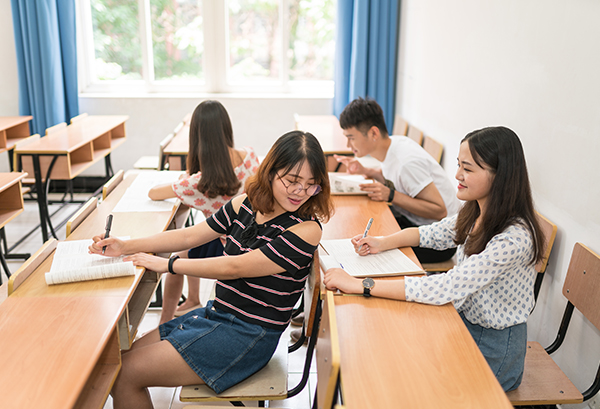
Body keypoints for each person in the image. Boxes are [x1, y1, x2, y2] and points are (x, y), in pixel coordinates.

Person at [90, 131, 334, 409]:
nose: (299, 192)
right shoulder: (246, 204)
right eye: (291, 180)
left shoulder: (307, 230)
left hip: (249, 335)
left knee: (124, 374)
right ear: (270, 172)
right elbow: (189, 236)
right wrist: (126, 245)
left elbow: (235, 267)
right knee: (117, 362)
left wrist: (169, 264)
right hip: (216, 315)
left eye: (311, 185)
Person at [323, 126, 545, 392]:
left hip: (495, 347)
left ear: (500, 176)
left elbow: (447, 287)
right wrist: (382, 242)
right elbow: (434, 233)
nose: (457, 175)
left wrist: (363, 285)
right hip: (462, 321)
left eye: (469, 169)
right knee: (396, 355)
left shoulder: (514, 238)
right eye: (459, 165)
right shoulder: (477, 209)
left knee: (418, 382)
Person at [148, 100, 260, 324]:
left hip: (226, 246)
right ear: (226, 128)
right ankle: (192, 299)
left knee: (177, 259)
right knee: (194, 242)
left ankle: (164, 321)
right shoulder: (249, 156)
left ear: (197, 137)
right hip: (251, 237)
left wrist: (185, 179)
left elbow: (153, 193)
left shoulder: (199, 182)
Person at [334, 97, 460, 263]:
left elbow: (439, 210)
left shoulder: (406, 162)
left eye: (351, 137)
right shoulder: (394, 144)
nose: (348, 145)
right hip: (415, 223)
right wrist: (368, 171)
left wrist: (391, 195)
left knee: (369, 249)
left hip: (439, 242)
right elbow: (394, 176)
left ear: (373, 133)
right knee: (360, 227)